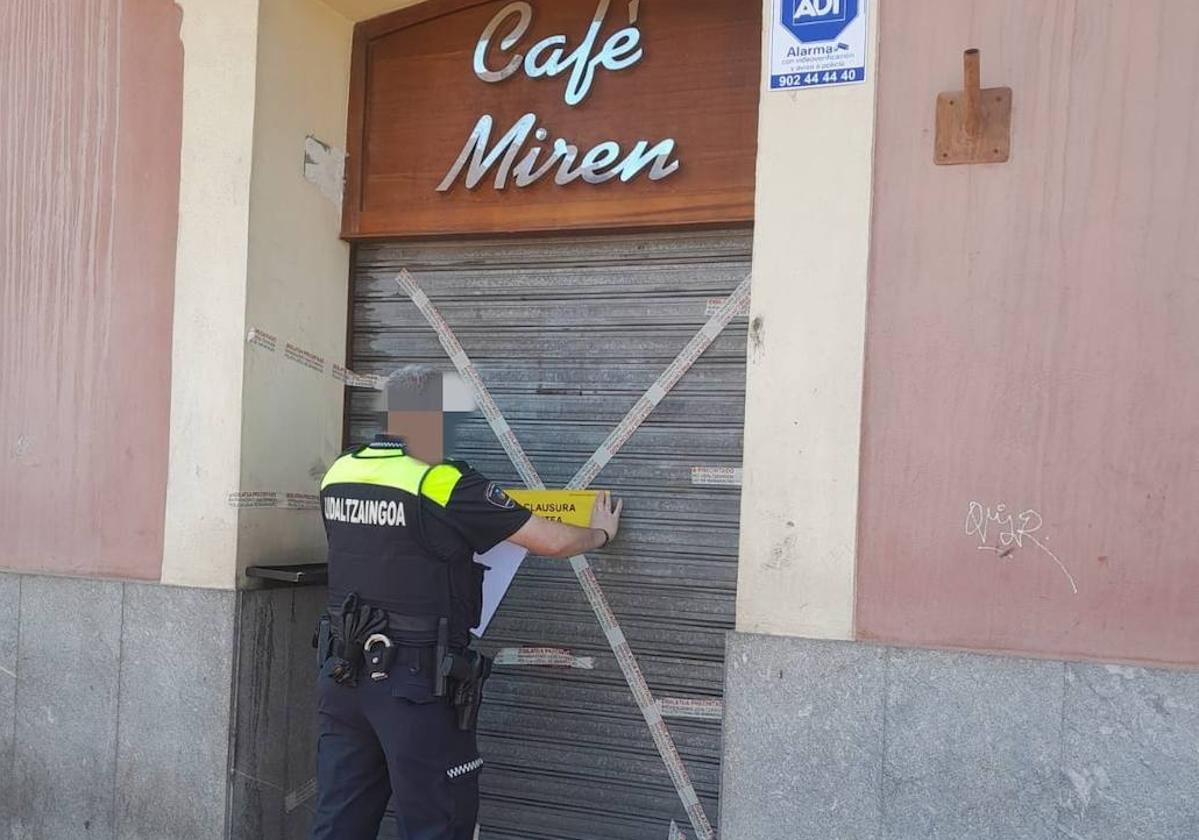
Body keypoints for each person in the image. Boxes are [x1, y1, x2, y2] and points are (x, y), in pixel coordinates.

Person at [311, 379, 622, 840]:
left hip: (342, 673)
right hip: (414, 683)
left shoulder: (340, 471)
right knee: (438, 821)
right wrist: (600, 534)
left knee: (340, 819)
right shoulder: (442, 481)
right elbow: (551, 541)